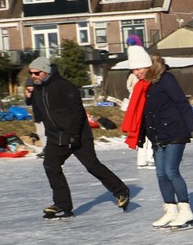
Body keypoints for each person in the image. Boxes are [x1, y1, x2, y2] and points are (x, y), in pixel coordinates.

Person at [29, 55, 130, 219]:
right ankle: (62, 205)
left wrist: (74, 135)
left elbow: (77, 113)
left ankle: (121, 191)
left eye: (36, 73)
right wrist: (29, 99)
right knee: (51, 165)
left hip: (78, 134)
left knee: (92, 165)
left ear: (46, 71)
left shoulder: (65, 87)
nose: (33, 76)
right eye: (31, 73)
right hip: (56, 136)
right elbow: (41, 115)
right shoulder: (38, 89)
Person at [135, 54, 193, 228]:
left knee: (171, 171)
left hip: (175, 131)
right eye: (133, 70)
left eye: (138, 69)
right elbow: (146, 114)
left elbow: (182, 103)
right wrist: (141, 136)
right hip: (157, 135)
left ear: (148, 66)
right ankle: (171, 210)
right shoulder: (145, 85)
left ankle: (185, 211)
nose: (135, 73)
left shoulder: (166, 79)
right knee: (161, 174)